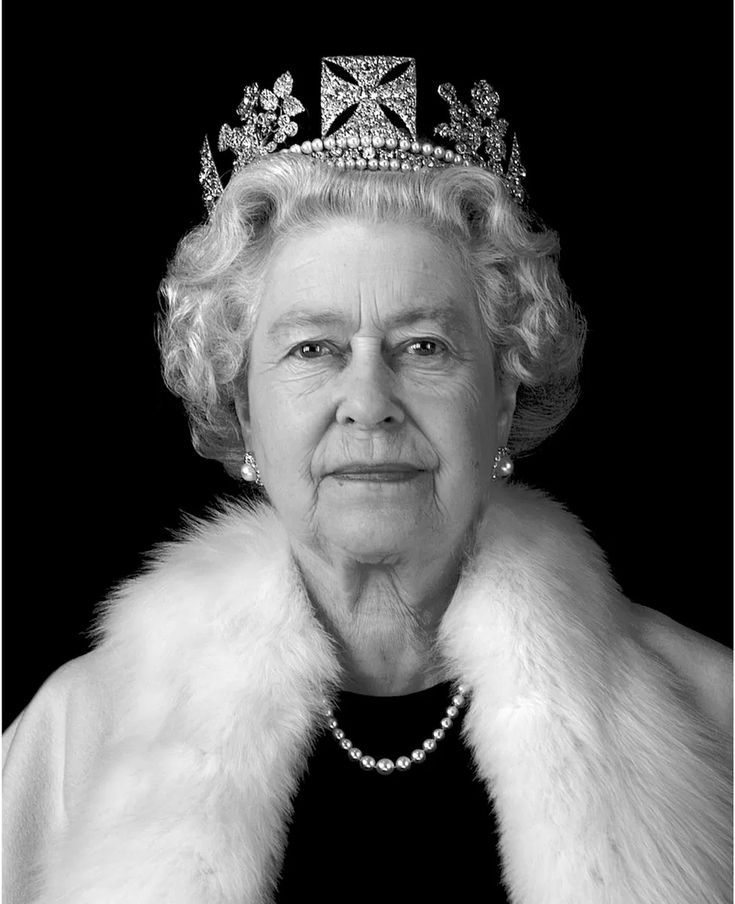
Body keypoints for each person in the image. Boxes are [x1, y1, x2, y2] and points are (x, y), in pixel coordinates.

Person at [3, 56, 731, 904]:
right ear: (241, 405)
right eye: (313, 349)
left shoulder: (709, 717)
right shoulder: (78, 733)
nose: (368, 404)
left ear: (501, 397)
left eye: (423, 346)